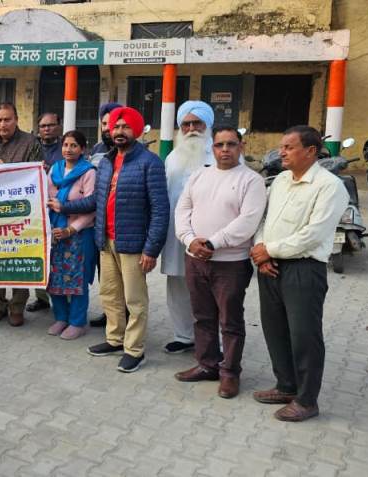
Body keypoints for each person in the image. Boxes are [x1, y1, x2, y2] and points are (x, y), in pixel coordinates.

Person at [51, 107, 168, 373]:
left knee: (134, 300)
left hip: (134, 243)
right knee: (110, 294)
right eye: (116, 127)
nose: (119, 132)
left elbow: (161, 209)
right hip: (104, 240)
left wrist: (151, 248)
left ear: (136, 131)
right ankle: (115, 339)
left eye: (126, 127)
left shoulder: (150, 162)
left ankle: (135, 349)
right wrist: (64, 207)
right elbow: (95, 200)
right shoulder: (105, 162)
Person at [250, 125, 348, 422]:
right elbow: (265, 220)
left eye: (289, 147)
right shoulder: (279, 180)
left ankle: (307, 400)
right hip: (270, 265)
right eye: (282, 146)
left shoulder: (330, 187)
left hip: (304, 269)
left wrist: (271, 250)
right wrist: (260, 250)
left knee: (305, 336)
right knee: (274, 329)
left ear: (310, 151)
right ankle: (286, 385)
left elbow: (313, 234)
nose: (282, 152)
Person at [174, 127, 266, 399]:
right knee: (202, 317)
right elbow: (183, 210)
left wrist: (214, 243)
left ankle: (230, 373)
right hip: (195, 259)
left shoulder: (252, 181)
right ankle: (207, 364)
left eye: (231, 144)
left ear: (242, 147)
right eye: (219, 145)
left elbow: (248, 221)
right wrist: (189, 240)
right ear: (211, 148)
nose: (224, 150)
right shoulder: (199, 176)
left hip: (230, 263)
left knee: (230, 321)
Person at [0, 102, 43, 327]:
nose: (2, 124)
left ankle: (17, 307)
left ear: (16, 120)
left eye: (7, 119)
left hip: (20, 213)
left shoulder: (30, 142)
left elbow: (38, 173)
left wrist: (8, 168)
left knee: (17, 259)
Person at [160, 100, 216, 354]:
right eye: (186, 124)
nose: (191, 129)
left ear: (208, 125)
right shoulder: (172, 157)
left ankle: (216, 343)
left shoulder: (220, 154)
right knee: (177, 283)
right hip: (175, 234)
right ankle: (184, 335)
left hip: (209, 235)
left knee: (211, 288)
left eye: (197, 123)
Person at [45, 131, 97, 340]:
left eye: (74, 145)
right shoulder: (55, 170)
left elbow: (91, 208)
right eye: (65, 145)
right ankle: (61, 318)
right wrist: (52, 228)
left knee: (77, 280)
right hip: (55, 233)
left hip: (79, 234)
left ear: (83, 149)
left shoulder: (89, 172)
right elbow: (48, 198)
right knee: (54, 277)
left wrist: (70, 229)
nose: (68, 149)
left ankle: (77, 321)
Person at [87, 101, 123, 328]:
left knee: (126, 282)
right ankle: (111, 316)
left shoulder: (134, 152)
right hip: (100, 226)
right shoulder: (97, 151)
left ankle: (126, 322)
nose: (109, 128)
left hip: (124, 230)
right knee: (107, 278)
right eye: (104, 123)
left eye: (114, 123)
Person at [27, 112, 65, 313]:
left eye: (51, 125)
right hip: (35, 208)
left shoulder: (66, 147)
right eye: (43, 126)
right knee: (39, 252)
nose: (47, 129)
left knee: (58, 256)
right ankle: (41, 297)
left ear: (59, 126)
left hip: (60, 209)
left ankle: (62, 298)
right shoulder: (31, 146)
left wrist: (49, 170)